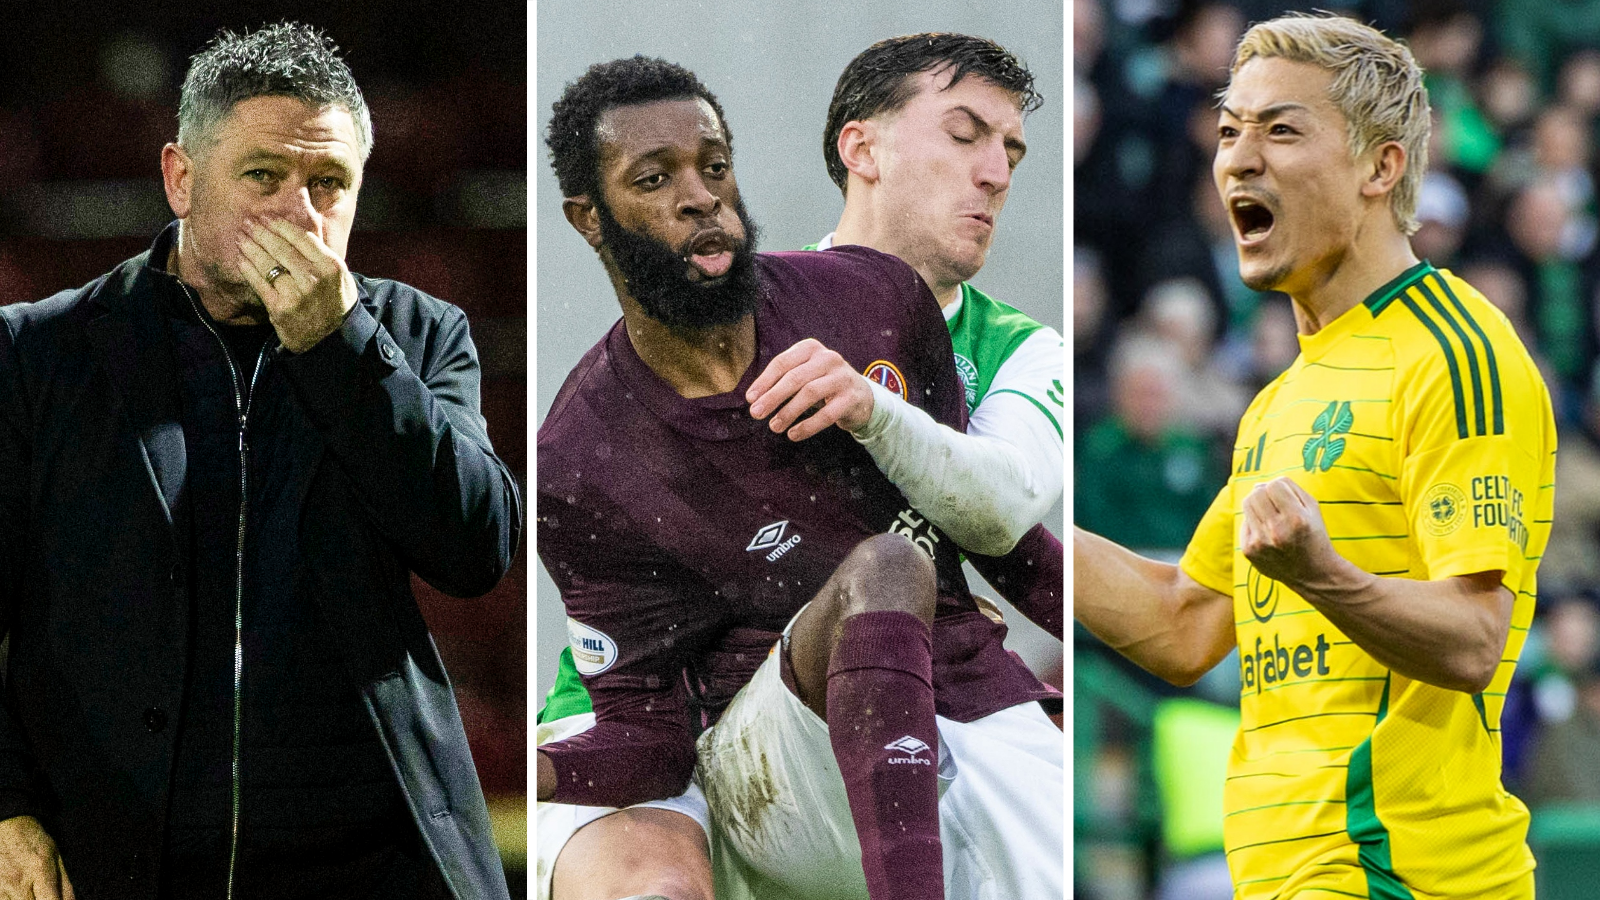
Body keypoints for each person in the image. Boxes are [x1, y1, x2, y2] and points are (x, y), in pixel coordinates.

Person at [0, 23, 520, 899]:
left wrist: (343, 349)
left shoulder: (419, 335)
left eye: (330, 183)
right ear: (180, 179)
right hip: (123, 863)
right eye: (263, 177)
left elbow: (475, 550)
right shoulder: (37, 354)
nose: (301, 214)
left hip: (370, 868)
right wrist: (5, 801)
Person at [535, 56, 1062, 900]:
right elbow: (654, 736)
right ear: (589, 220)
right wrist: (539, 772)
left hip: (955, 691)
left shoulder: (874, 298)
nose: (701, 196)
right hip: (765, 745)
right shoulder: (580, 458)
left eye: (714, 167)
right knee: (887, 564)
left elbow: (990, 536)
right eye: (654, 179)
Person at [1075, 13, 1553, 900]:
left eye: (1280, 129)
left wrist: (1323, 574)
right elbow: (1184, 623)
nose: (1238, 159)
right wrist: (997, 515)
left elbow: (1475, 640)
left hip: (1395, 874)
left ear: (1382, 167)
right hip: (1284, 875)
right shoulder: (1281, 398)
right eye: (1229, 131)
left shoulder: (1456, 351)